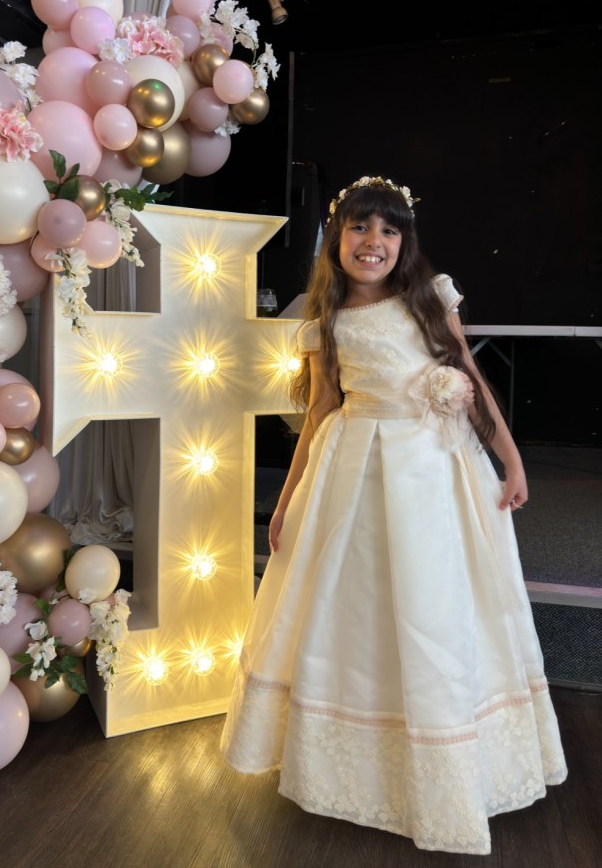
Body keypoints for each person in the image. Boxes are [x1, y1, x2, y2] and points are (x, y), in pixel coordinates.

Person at [220, 175, 567, 855]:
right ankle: (362, 764)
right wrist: (287, 497)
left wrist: (510, 457)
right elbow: (318, 412)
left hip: (436, 470)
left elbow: (467, 377)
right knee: (359, 607)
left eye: (387, 230)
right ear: (336, 238)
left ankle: (447, 757)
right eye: (358, 227)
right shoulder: (324, 322)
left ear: (404, 242)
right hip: (356, 473)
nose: (372, 242)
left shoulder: (431, 300)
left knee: (437, 606)